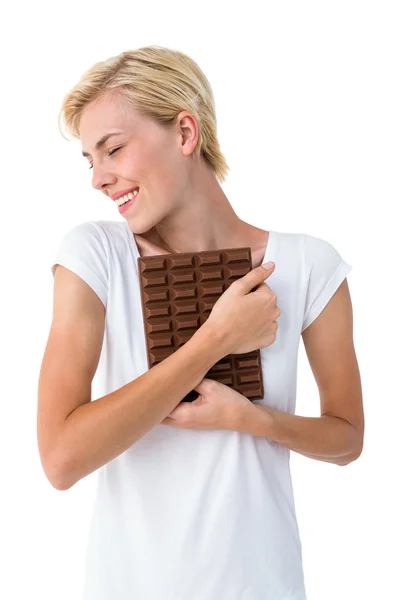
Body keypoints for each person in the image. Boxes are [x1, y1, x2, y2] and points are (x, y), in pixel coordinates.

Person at [37, 45, 364, 600]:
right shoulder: (96, 256)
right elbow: (61, 459)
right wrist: (217, 338)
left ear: (185, 133)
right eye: (90, 160)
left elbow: (348, 438)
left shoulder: (310, 264)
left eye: (112, 149)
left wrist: (252, 420)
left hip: (263, 585)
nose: (98, 177)